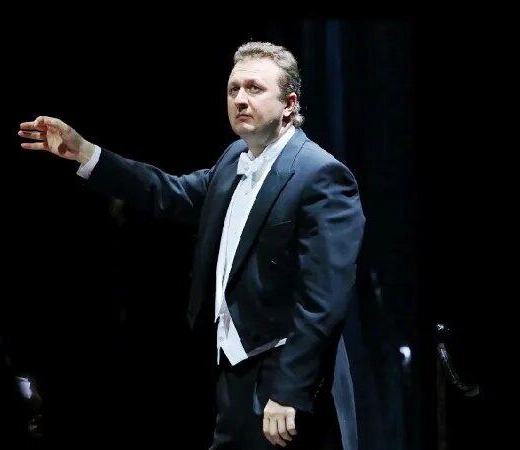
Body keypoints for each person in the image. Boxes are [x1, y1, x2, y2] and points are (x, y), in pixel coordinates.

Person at [19, 41, 365, 449]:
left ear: (289, 104)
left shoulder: (320, 175)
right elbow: (171, 193)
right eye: (233, 89)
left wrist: (291, 389)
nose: (240, 99)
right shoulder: (234, 159)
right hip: (234, 374)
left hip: (289, 382)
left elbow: (323, 299)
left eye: (254, 88)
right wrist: (87, 154)